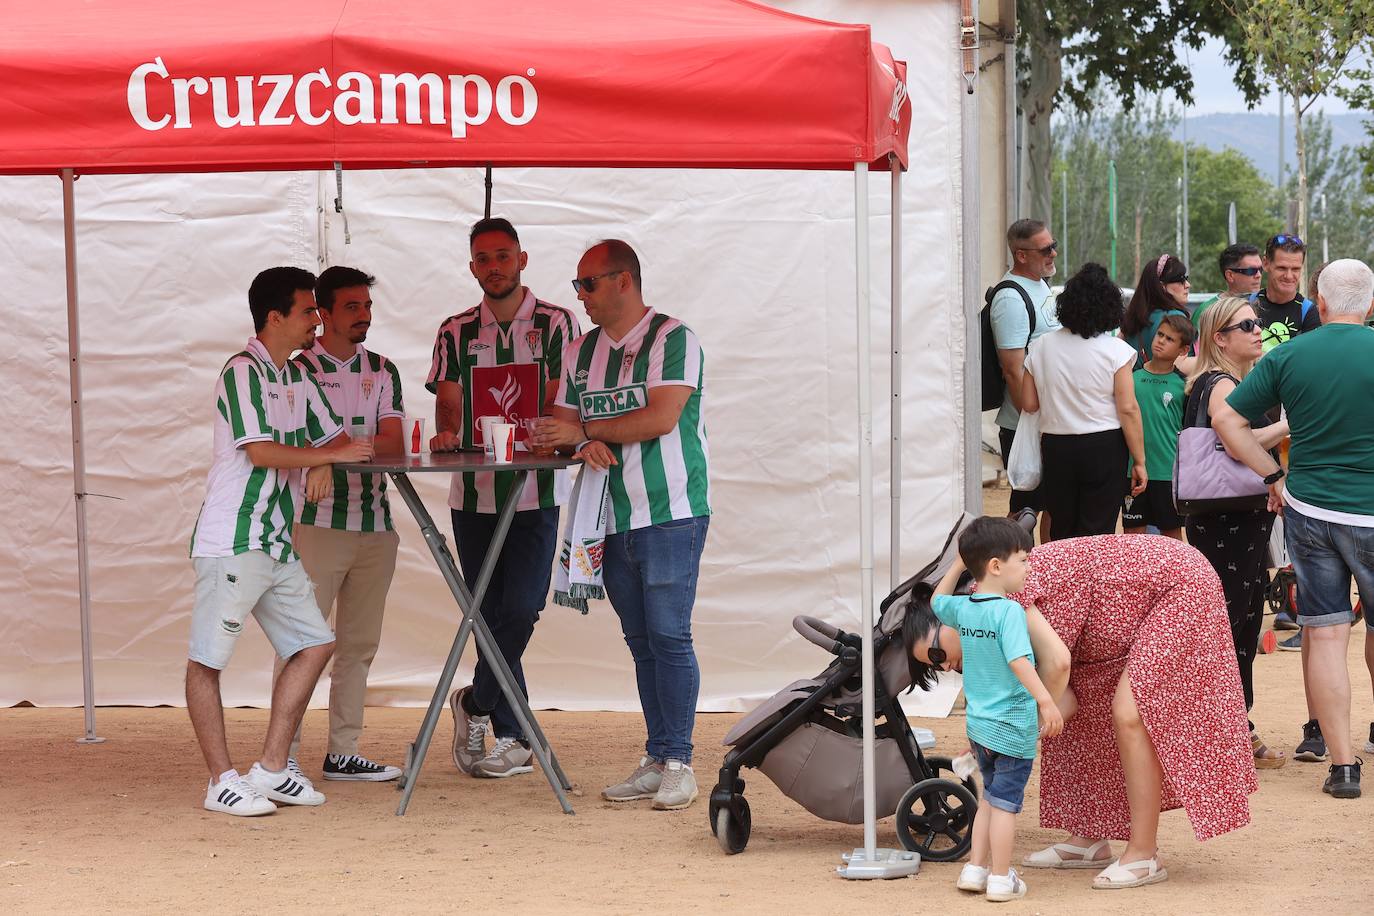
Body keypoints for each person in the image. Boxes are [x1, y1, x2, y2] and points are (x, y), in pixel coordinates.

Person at [911, 535, 1257, 889]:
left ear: (949, 617)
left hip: (1179, 586)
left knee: (1129, 712)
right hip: (1126, 608)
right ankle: (1090, 834)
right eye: (936, 667)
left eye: (937, 653)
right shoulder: (987, 605)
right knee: (1086, 703)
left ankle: (1144, 853)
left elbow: (1058, 665)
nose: (947, 665)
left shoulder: (1002, 597)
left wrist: (1015, 725)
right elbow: (1068, 697)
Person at [186, 266, 373, 816]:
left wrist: (323, 462)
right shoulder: (241, 372)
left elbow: (336, 440)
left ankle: (270, 769)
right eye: (309, 311)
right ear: (275, 317)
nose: (318, 320)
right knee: (207, 662)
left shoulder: (299, 377)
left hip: (274, 540)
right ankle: (221, 781)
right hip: (232, 539)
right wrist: (325, 460)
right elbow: (263, 452)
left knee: (315, 644)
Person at [533, 239, 712, 811]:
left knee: (668, 635)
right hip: (606, 515)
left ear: (623, 281)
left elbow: (662, 416)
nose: (579, 296)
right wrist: (584, 437)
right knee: (640, 642)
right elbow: (559, 427)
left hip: (670, 511)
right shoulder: (580, 352)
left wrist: (586, 432)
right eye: (577, 286)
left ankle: (680, 761)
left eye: (587, 284)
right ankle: (659, 756)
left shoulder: (673, 337)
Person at [1211, 258, 1374, 800]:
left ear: (1319, 304)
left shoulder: (1288, 354)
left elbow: (1228, 420)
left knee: (1325, 635)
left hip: (1311, 509)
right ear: (1369, 305)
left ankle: (1344, 767)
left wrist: (1272, 474)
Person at [427, 217, 581, 779]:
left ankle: (476, 701)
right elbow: (448, 400)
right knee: (489, 615)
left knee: (522, 607)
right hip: (473, 494)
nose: (494, 266)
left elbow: (563, 395)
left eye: (502, 256)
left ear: (522, 258)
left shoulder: (558, 323)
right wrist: (447, 431)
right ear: (472, 267)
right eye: (483, 259)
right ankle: (513, 735)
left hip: (537, 490)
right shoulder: (455, 330)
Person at [272, 266, 406, 782]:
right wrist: (333, 451)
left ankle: (342, 751)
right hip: (317, 522)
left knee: (358, 646)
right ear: (322, 312)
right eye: (352, 307)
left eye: (367, 307)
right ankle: (281, 755)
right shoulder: (296, 368)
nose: (363, 316)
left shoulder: (384, 369)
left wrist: (334, 452)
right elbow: (290, 441)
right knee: (301, 642)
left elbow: (394, 446)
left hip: (376, 524)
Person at [909, 517, 1064, 902]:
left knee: (989, 801)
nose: (1028, 568)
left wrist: (960, 564)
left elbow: (937, 602)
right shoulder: (1008, 612)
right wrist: (1046, 700)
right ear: (996, 566)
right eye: (1023, 560)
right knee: (1006, 806)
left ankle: (975, 869)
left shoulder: (966, 609)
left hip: (979, 727)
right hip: (1012, 726)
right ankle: (1000, 878)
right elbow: (1019, 661)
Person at [1182, 295, 1290, 768]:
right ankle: (1226, 730)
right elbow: (1233, 442)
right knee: (1231, 621)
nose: (1257, 331)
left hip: (1232, 516)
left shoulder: (1219, 381)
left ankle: (1233, 726)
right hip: (1229, 517)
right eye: (1245, 325)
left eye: (1257, 324)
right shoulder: (1222, 384)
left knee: (1239, 618)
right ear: (1220, 338)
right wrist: (1288, 425)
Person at [1021, 263, 1147, 540]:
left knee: (1062, 527)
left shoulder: (1040, 346)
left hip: (1056, 445)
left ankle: (1061, 583)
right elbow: (1128, 409)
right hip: (1105, 446)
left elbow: (1029, 403)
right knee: (1098, 530)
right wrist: (1139, 461)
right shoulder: (1117, 351)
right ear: (1111, 307)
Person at [991, 219, 1062, 536]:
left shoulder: (1040, 284)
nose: (1054, 254)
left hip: (1044, 420)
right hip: (1025, 424)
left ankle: (1045, 574)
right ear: (1021, 255)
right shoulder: (1010, 299)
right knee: (1024, 510)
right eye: (1046, 249)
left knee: (1053, 505)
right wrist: (1033, 420)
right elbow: (1012, 368)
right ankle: (1008, 573)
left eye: (1054, 244)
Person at [1121, 314, 1194, 540]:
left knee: (1171, 536)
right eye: (1160, 334)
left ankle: (1173, 577)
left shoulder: (1184, 385)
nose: (1160, 341)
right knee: (1133, 536)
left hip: (1169, 473)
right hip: (1133, 470)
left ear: (1184, 350)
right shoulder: (1131, 378)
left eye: (1170, 339)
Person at [1120, 254, 1193, 370]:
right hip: (1166, 387)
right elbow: (1181, 366)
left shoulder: (1133, 318)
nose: (1187, 285)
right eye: (1180, 280)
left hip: (1132, 384)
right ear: (1161, 286)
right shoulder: (1175, 319)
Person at [1254, 233, 1320, 354]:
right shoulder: (1247, 305)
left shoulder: (1309, 313)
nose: (1289, 276)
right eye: (1282, 268)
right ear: (1265, 264)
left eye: (1295, 269)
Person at [1192, 243, 1262, 326]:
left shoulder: (1267, 304)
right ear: (1230, 275)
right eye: (1251, 271)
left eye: (1260, 269)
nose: (1258, 275)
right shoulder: (1207, 310)